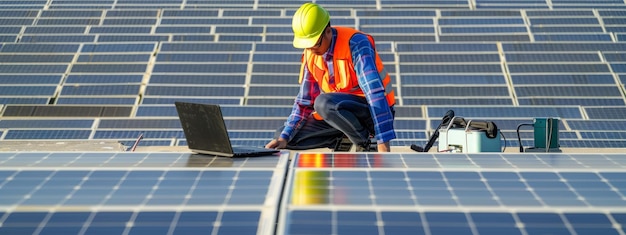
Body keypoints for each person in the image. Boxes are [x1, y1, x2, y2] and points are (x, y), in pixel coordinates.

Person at [265, 2, 396, 152]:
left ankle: (366, 142)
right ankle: (343, 138)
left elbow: (375, 94)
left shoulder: (356, 44)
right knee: (283, 135)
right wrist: (285, 137)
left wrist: (382, 141)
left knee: (323, 103)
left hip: (370, 113)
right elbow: (304, 102)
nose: (312, 50)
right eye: (307, 46)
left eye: (315, 44)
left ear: (328, 31)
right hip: (339, 115)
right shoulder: (311, 54)